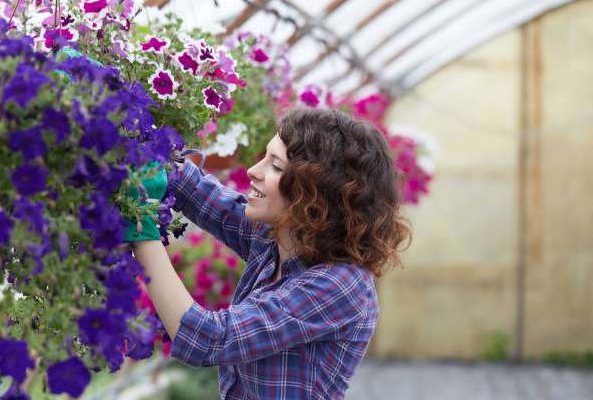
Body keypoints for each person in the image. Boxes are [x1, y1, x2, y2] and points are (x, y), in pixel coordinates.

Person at [124, 106, 411, 399]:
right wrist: (130, 129)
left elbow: (208, 339)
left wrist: (142, 230)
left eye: (275, 166)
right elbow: (199, 193)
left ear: (316, 191)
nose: (253, 171)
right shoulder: (280, 240)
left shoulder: (340, 285)